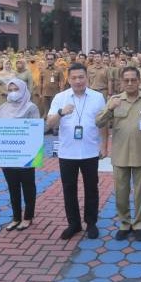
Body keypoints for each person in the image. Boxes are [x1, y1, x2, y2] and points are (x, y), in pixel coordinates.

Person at [96, 66, 141, 241]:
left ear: (139, 81)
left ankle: (139, 224)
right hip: (120, 155)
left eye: (133, 80)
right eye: (126, 80)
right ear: (121, 82)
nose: (130, 83)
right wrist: (109, 108)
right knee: (121, 193)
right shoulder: (114, 100)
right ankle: (124, 223)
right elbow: (99, 122)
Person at [47, 63, 108, 240]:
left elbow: (102, 123)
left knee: (91, 188)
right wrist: (60, 113)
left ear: (86, 77)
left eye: (81, 77)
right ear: (68, 79)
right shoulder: (60, 97)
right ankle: (73, 224)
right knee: (69, 189)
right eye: (74, 78)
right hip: (67, 153)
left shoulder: (97, 97)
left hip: (90, 151)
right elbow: (50, 123)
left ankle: (91, 223)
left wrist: (104, 145)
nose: (78, 81)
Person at [0, 78, 41, 231]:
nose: (13, 93)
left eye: (16, 89)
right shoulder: (2, 108)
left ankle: (28, 217)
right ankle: (16, 217)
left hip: (25, 154)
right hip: (7, 155)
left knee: (28, 186)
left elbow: (36, 130)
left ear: (23, 89)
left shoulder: (31, 107)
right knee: (12, 186)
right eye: (10, 90)